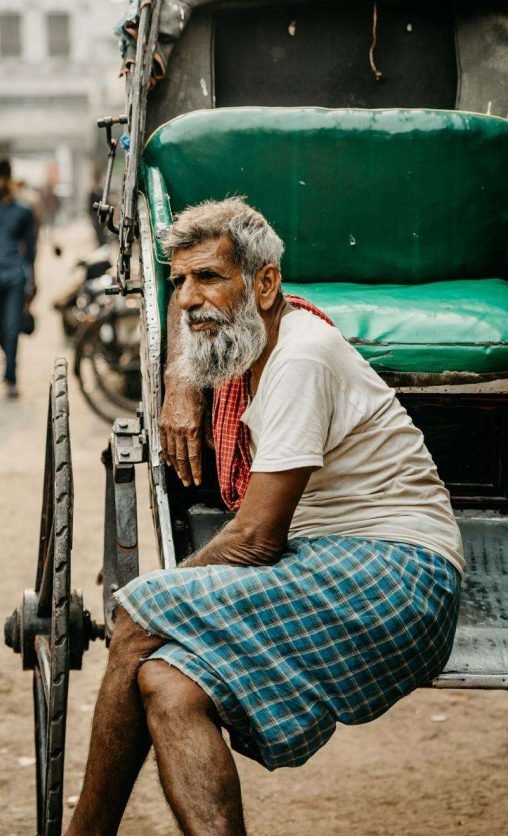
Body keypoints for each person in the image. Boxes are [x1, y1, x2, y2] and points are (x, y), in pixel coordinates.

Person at [67, 198, 464, 835]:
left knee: (139, 612)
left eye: (210, 278)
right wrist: (179, 377)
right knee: (168, 685)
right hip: (332, 562)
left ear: (266, 283)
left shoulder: (300, 356)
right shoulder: (249, 347)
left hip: (400, 574)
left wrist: (166, 595)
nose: (190, 298)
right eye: (180, 281)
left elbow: (255, 539)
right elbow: (194, 312)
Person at [0, 159, 36, 399]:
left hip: (15, 276)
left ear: (8, 179)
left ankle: (10, 375)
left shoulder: (24, 212)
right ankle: (9, 358)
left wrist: (32, 281)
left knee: (12, 327)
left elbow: (31, 250)